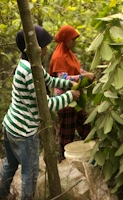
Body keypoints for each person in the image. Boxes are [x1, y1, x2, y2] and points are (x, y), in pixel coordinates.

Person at [0, 25, 81, 200]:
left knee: (9, 166)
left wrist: (68, 84)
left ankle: (0, 197)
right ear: (32, 47)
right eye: (43, 45)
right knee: (30, 174)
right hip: (24, 132)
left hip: (11, 126)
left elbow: (48, 80)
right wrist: (70, 96)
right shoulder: (29, 72)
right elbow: (45, 105)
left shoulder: (30, 64)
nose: (46, 48)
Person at [49, 25, 95, 159]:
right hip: (65, 100)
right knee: (67, 133)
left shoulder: (69, 53)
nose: (74, 43)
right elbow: (62, 78)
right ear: (65, 40)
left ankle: (89, 156)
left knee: (86, 126)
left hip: (76, 97)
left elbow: (75, 70)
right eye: (72, 40)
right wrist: (82, 77)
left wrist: (85, 73)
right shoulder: (58, 56)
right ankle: (64, 162)